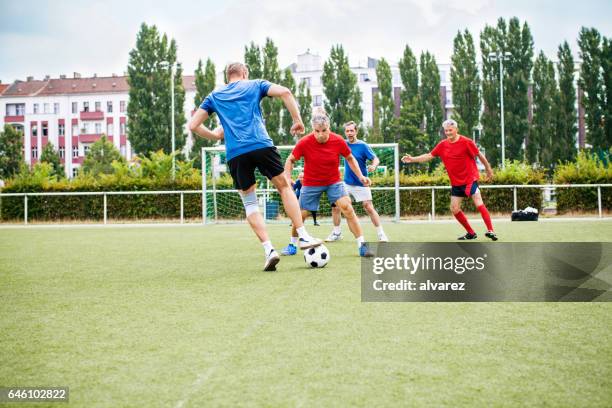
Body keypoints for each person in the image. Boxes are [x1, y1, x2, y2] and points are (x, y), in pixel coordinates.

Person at [189, 62, 321, 271]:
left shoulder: (214, 95)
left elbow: (193, 125)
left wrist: (215, 135)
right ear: (244, 73)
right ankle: (303, 235)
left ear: (228, 75)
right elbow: (285, 92)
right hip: (261, 144)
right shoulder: (254, 84)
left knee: (250, 202)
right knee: (285, 186)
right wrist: (297, 120)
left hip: (236, 154)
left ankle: (269, 249)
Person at [282, 109, 375, 257]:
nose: (320, 134)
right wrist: (287, 178)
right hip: (311, 183)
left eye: (323, 130)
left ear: (329, 127)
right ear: (313, 129)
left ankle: (362, 245)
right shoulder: (304, 142)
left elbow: (350, 158)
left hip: (333, 182)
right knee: (300, 215)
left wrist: (361, 176)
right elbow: (290, 160)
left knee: (347, 208)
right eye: (317, 131)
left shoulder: (337, 140)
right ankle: (292, 244)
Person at [401, 119, 498, 241]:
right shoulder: (442, 145)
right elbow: (429, 156)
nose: (448, 133)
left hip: (470, 179)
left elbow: (479, 155)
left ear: (456, 130)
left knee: (478, 202)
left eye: (450, 130)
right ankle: (471, 233)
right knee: (454, 209)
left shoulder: (467, 142)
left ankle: (491, 230)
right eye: (446, 131)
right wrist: (412, 159)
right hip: (456, 183)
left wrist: (488, 169)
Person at [325, 121, 389, 243]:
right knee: (335, 206)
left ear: (356, 131)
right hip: (346, 183)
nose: (349, 133)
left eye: (351, 130)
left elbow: (376, 159)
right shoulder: (342, 144)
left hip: (361, 183)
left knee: (368, 207)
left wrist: (374, 166)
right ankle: (337, 233)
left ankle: (381, 234)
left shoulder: (363, 146)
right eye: (347, 131)